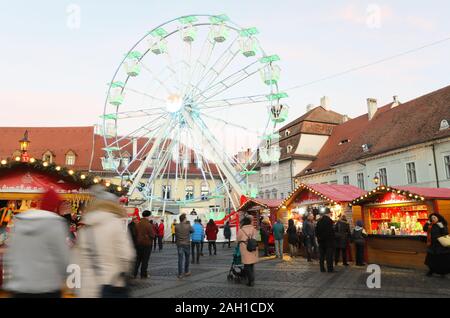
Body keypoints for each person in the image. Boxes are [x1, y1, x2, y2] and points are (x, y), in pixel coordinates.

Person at [4, 189, 70, 298]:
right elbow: (63, 256)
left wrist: (9, 280)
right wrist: (65, 276)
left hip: (20, 287)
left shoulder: (20, 221)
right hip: (47, 287)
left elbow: (10, 254)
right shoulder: (56, 224)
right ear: (56, 206)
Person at [75, 185, 135, 298]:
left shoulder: (85, 226)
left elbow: (77, 260)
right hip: (112, 285)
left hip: (87, 287)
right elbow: (127, 255)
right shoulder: (115, 224)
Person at [237, 216, 258, 287]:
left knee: (247, 265)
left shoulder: (241, 230)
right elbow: (256, 238)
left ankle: (251, 280)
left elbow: (237, 240)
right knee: (251, 264)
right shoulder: (253, 229)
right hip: (253, 248)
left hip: (245, 248)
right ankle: (251, 279)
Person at [134, 210, 155, 279]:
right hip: (147, 244)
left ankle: (134, 273)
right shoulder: (148, 224)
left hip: (138, 244)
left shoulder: (138, 224)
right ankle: (143, 274)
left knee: (138, 260)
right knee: (145, 260)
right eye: (150, 215)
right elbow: (152, 235)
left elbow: (135, 234)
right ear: (148, 216)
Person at [315, 208, 335, 273]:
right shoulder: (330, 221)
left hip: (321, 241)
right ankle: (330, 269)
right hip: (329, 241)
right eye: (330, 213)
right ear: (328, 213)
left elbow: (316, 232)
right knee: (329, 256)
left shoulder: (319, 221)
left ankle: (322, 268)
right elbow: (331, 232)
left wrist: (319, 239)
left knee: (322, 256)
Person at [175, 214, 194, 279]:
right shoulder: (188, 226)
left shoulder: (176, 226)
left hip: (179, 244)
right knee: (187, 258)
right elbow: (193, 230)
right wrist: (189, 224)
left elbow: (176, 233)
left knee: (180, 259)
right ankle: (186, 271)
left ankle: (180, 274)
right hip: (186, 244)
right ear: (184, 219)